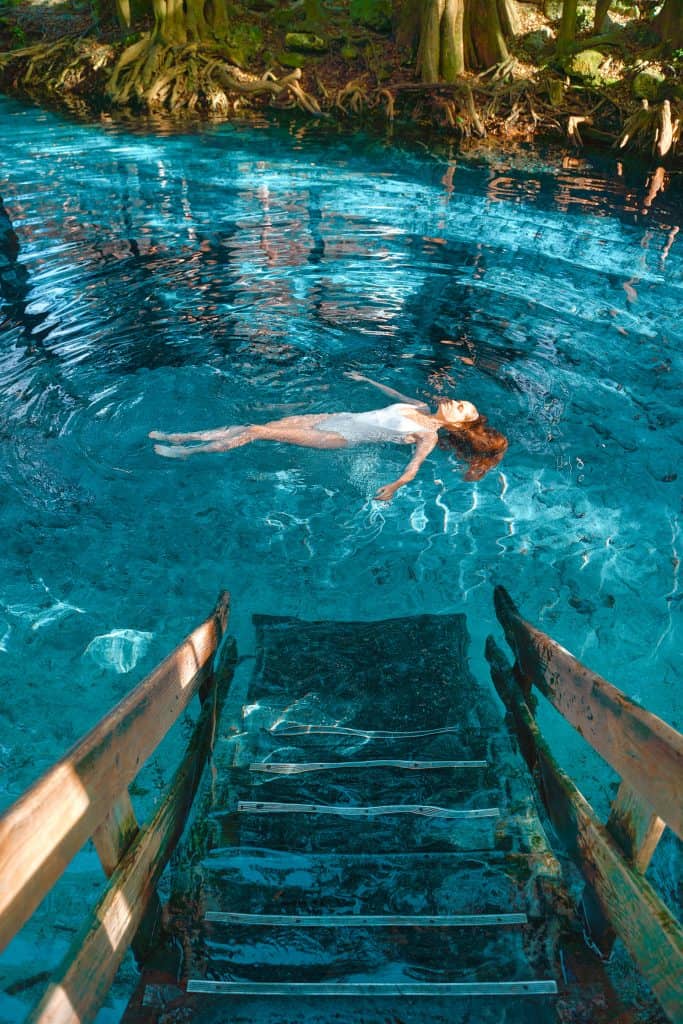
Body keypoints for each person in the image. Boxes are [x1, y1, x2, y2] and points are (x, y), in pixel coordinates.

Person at [150, 372, 508, 501]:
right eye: (462, 401)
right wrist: (366, 381)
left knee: (258, 431)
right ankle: (182, 437)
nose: (457, 402)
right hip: (336, 417)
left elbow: (414, 467)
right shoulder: (418, 407)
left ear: (459, 426)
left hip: (340, 437)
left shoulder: (426, 435)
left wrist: (394, 487)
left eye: (462, 409)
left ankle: (187, 453)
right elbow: (393, 396)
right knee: (255, 426)